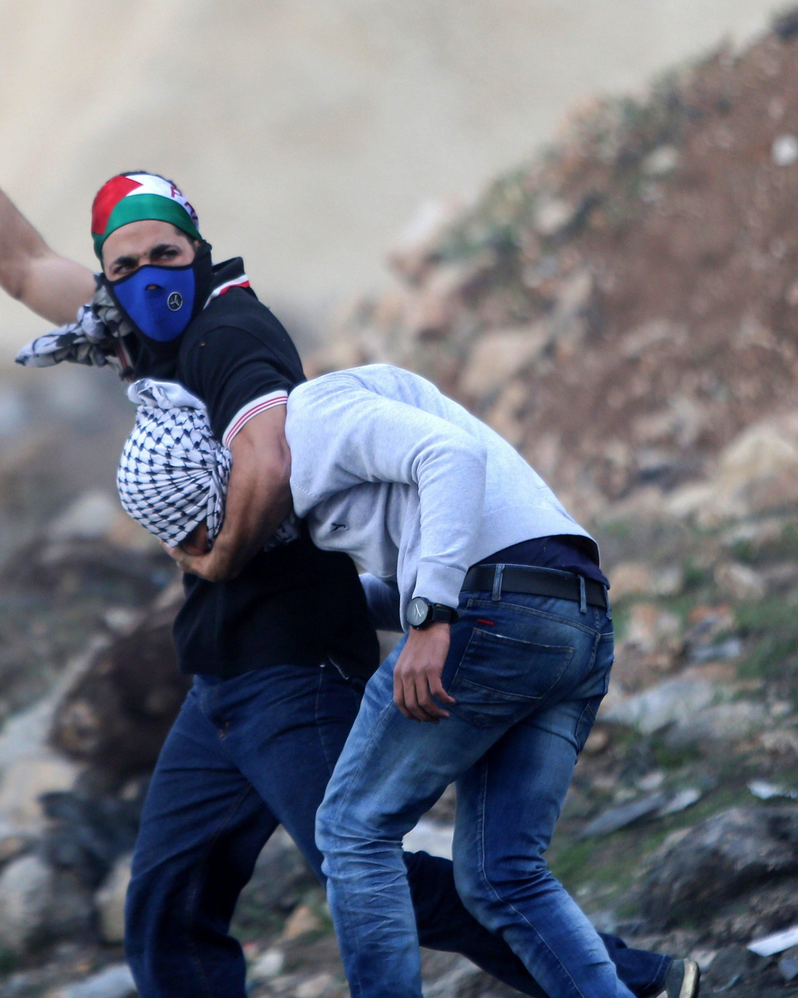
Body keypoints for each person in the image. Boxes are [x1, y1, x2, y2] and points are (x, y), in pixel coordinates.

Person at [0, 62, 689, 998]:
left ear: (197, 250)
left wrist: (217, 555)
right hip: (217, 674)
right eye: (124, 265)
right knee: (166, 902)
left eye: (165, 254)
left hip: (291, 663)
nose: (148, 275)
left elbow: (270, 459)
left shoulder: (231, 332)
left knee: (362, 864)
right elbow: (24, 266)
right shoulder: (141, 329)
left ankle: (631, 980)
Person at [117, 363, 698, 998]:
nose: (216, 552)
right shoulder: (320, 491)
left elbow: (452, 457)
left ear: (229, 484)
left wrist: (431, 617)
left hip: (497, 607)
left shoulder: (313, 420)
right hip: (574, 619)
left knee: (350, 831)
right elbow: (417, 565)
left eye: (210, 533)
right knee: (502, 874)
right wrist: (362, 608)